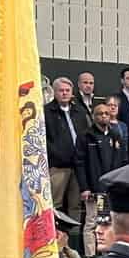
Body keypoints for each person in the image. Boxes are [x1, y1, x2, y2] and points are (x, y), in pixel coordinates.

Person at [45, 77, 89, 216]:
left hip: (78, 167)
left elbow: (85, 134)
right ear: (54, 92)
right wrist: (57, 154)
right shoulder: (46, 112)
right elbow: (44, 139)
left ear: (72, 92)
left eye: (67, 90)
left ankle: (73, 238)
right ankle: (55, 236)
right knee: (55, 204)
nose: (64, 93)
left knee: (75, 205)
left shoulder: (80, 111)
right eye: (61, 90)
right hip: (58, 166)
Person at [75, 100, 129, 199]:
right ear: (93, 117)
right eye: (100, 114)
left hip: (113, 187)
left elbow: (123, 161)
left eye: (106, 113)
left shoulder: (116, 136)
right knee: (93, 214)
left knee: (113, 214)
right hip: (93, 187)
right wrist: (84, 188)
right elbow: (80, 164)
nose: (104, 116)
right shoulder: (85, 136)